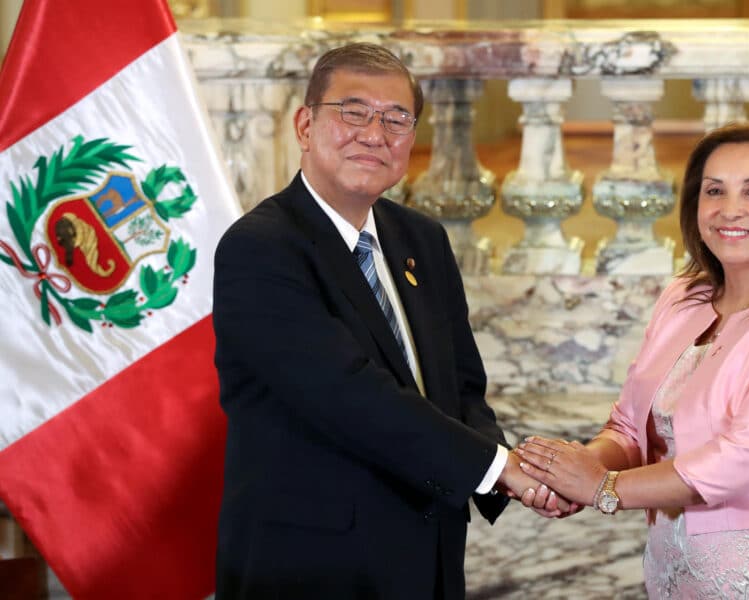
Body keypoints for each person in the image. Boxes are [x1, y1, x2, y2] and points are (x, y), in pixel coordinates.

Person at [212, 43, 552, 598]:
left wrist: (510, 473)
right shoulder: (261, 249)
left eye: (397, 118)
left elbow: (462, 387)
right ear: (304, 124)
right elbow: (349, 397)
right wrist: (497, 468)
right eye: (353, 112)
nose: (375, 134)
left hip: (428, 560)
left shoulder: (423, 239)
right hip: (314, 568)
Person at [516, 123, 749, 598]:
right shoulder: (685, 296)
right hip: (677, 574)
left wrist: (601, 487)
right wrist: (571, 471)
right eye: (714, 191)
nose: (730, 209)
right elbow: (627, 426)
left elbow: (740, 458)